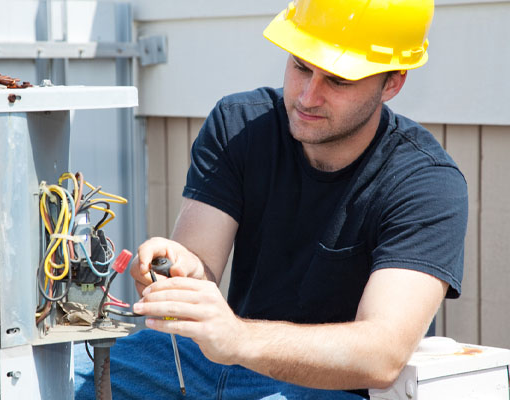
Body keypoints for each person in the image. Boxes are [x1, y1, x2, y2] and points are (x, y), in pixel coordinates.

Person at [107, 0, 468, 398]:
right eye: (300, 66)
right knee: (63, 376)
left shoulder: (426, 182)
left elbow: (381, 356)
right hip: (214, 363)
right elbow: (200, 270)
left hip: (329, 389)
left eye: (338, 81)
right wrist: (182, 273)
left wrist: (239, 338)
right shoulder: (238, 125)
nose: (307, 96)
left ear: (393, 83)